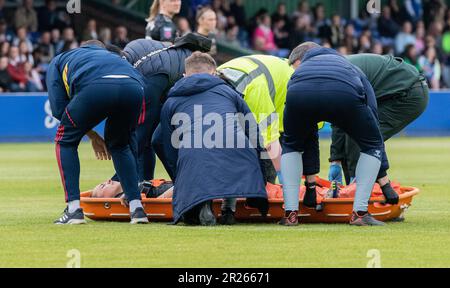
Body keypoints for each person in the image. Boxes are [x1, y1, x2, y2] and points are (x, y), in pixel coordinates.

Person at [280, 42, 388, 226]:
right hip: (344, 93)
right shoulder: (348, 65)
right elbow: (371, 105)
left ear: (301, 57)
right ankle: (360, 213)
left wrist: (311, 185)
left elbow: (293, 103)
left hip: (299, 93)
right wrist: (383, 172)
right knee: (372, 145)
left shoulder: (300, 71)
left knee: (291, 146)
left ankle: (290, 214)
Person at [154, 52, 268, 225]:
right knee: (232, 148)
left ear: (184, 75)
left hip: (194, 155)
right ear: (214, 73)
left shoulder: (171, 101)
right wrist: (261, 168)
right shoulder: (229, 92)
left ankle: (203, 205)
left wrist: (179, 177)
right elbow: (252, 128)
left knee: (198, 158)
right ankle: (228, 210)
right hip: (239, 153)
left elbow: (162, 142)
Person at [46, 40, 148, 225]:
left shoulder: (61, 59)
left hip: (96, 87)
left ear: (82, 47)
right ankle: (136, 208)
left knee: (65, 141)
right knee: (120, 144)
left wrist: (90, 134)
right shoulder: (113, 56)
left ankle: (74, 210)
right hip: (135, 86)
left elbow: (59, 109)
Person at [98, 33, 211, 193]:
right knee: (152, 138)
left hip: (190, 88)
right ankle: (147, 183)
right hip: (183, 81)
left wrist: (119, 178)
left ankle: (185, 186)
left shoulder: (151, 79)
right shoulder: (134, 46)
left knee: (156, 139)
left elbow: (140, 133)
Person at [329, 54, 429, 202]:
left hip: (409, 94)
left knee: (358, 135)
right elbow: (339, 119)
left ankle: (361, 195)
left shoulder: (340, 76)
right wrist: (335, 160)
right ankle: (356, 191)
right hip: (397, 90)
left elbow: (367, 136)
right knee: (353, 133)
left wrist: (380, 179)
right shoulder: (332, 72)